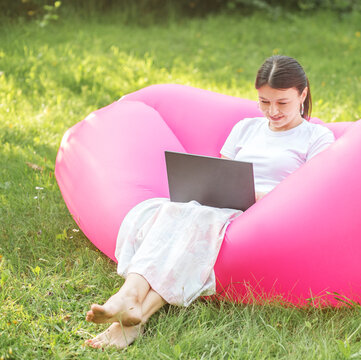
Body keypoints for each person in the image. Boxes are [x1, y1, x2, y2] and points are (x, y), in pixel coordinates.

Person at [84, 55, 335, 349]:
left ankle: (130, 301)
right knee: (171, 210)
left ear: (302, 94)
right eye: (264, 102)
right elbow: (221, 176)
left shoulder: (317, 138)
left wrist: (249, 195)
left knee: (195, 222)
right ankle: (132, 312)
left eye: (282, 102)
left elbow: (309, 195)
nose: (272, 111)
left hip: (266, 215)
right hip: (221, 206)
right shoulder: (246, 128)